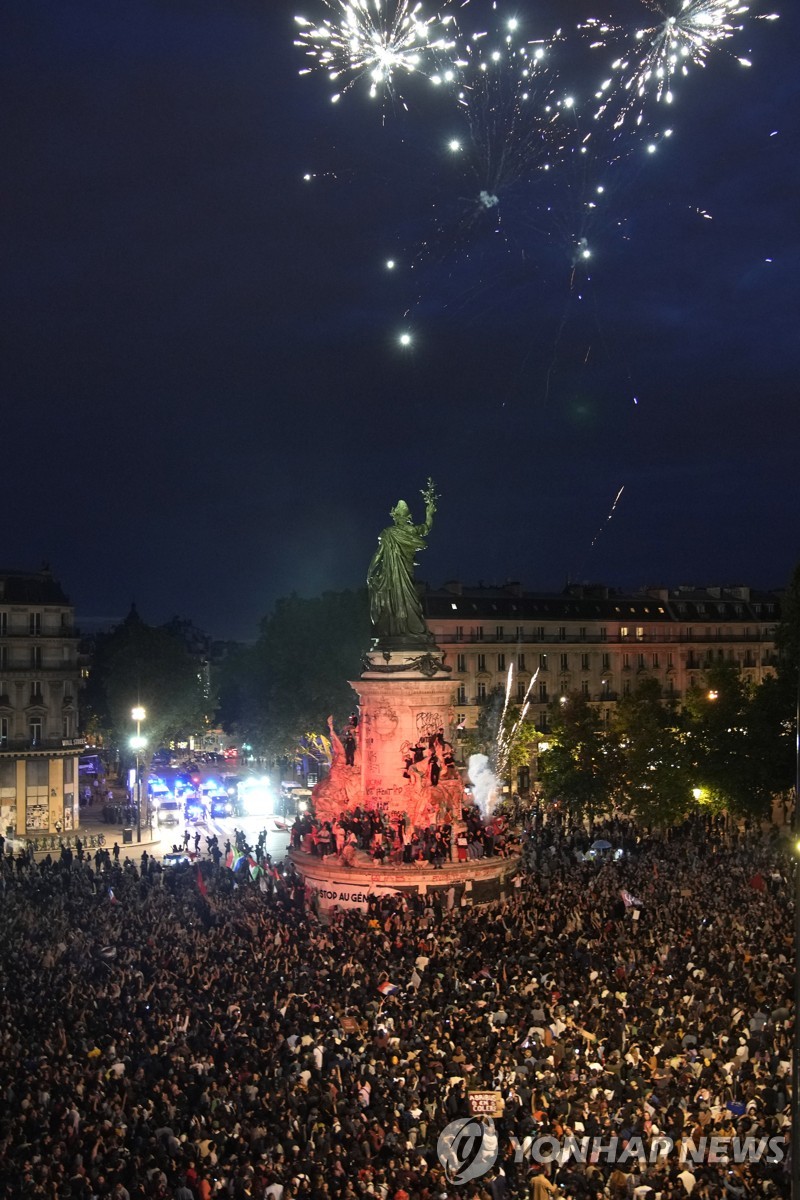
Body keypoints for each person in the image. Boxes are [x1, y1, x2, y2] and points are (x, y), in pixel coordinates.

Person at [366, 479, 438, 645]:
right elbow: (426, 527)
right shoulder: (409, 530)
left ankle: (397, 629)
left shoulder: (388, 533)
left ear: (396, 517)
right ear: (408, 517)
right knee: (408, 598)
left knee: (396, 599)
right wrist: (429, 513)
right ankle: (407, 629)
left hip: (393, 574)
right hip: (404, 571)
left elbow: (379, 554)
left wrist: (370, 572)